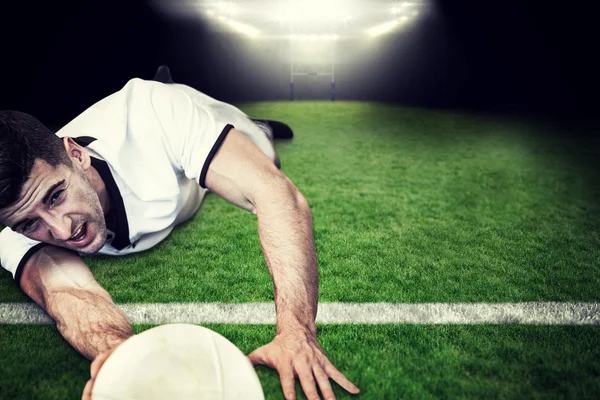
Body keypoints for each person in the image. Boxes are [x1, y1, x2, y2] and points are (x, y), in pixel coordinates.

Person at [0, 66, 360, 400]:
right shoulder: (13, 227)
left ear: (76, 155)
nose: (62, 229)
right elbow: (66, 291)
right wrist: (121, 355)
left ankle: (256, 126)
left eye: (57, 195)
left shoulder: (153, 114)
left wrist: (296, 331)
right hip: (177, 162)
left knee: (265, 156)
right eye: (31, 223)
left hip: (188, 123)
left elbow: (275, 194)